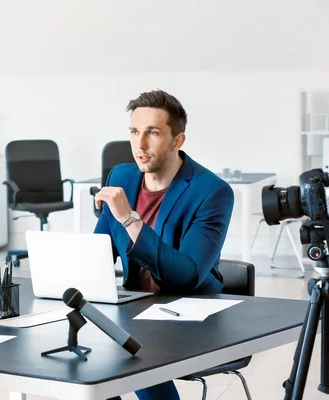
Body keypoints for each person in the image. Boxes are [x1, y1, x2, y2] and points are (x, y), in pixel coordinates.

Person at [94, 90, 234, 400]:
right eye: (134, 132)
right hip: (135, 309)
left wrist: (130, 219)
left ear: (177, 141)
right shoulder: (122, 176)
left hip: (190, 311)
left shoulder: (212, 192)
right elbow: (99, 252)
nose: (139, 145)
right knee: (84, 359)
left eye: (153, 133)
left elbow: (187, 276)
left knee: (135, 352)